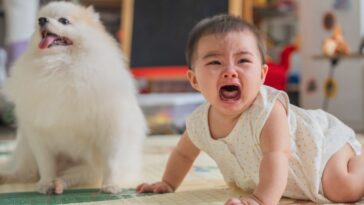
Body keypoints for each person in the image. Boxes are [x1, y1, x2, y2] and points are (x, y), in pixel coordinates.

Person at [136, 14, 364, 204]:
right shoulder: (199, 122)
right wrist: (168, 183)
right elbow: (183, 154)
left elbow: (277, 155)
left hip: (320, 148)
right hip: (286, 179)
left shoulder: (267, 111)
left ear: (262, 75)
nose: (230, 71)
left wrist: (260, 200)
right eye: (215, 62)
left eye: (243, 61)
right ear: (194, 79)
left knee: (342, 189)